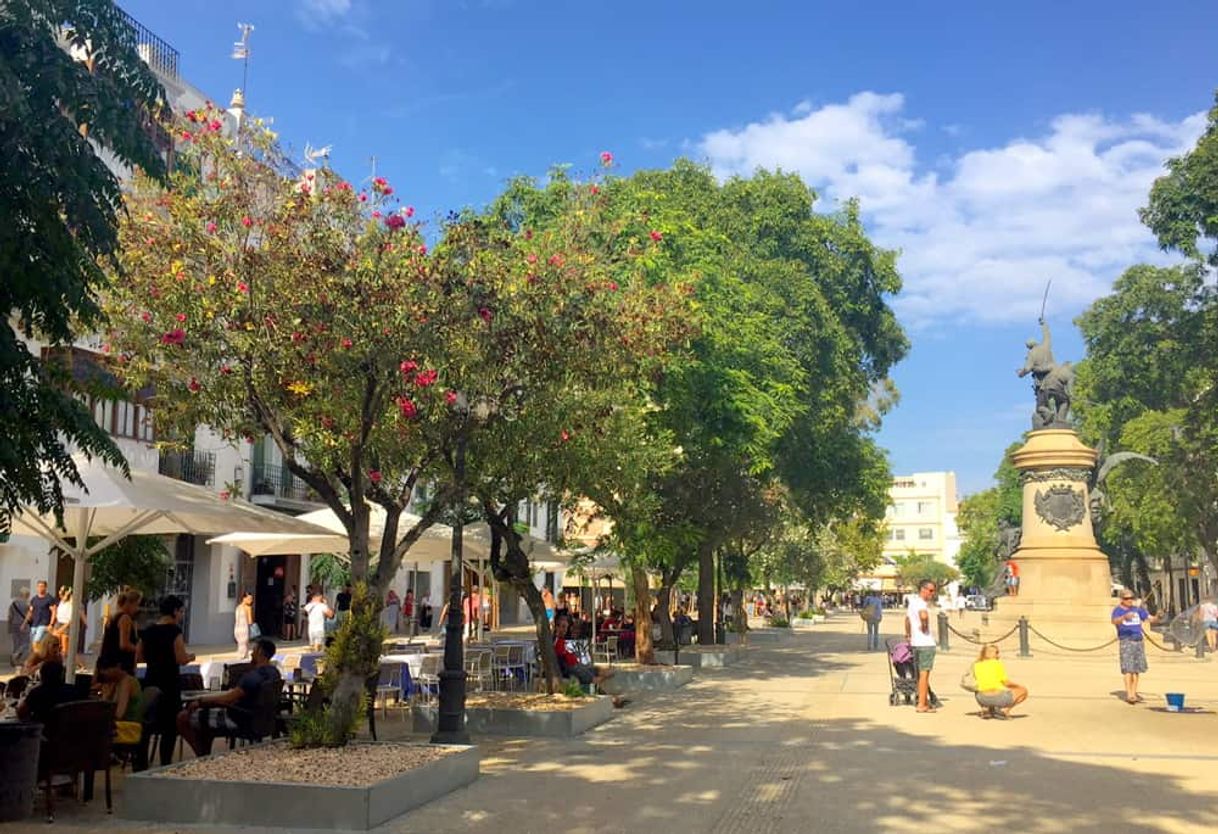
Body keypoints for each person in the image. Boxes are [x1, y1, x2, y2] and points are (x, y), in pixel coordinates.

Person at [177, 638, 281, 757]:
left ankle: (202, 755)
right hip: (262, 720)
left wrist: (200, 702)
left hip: (241, 720)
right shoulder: (274, 673)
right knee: (206, 717)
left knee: (183, 717)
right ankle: (205, 753)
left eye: (254, 650)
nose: (252, 653)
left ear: (260, 652)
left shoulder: (252, 677)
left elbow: (226, 699)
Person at [136, 595, 195, 767]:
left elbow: (139, 656)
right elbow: (180, 658)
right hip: (169, 681)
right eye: (181, 611)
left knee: (148, 724)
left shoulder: (147, 631)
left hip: (151, 679)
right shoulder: (174, 632)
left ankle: (142, 764)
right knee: (169, 727)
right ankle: (165, 762)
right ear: (175, 612)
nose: (182, 615)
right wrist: (190, 657)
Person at [1112, 591, 1157, 704]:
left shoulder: (1137, 610)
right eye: (1127, 598)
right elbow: (1114, 621)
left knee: (1136, 669)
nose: (1130, 600)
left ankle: (1134, 692)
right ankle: (1129, 694)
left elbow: (1149, 618)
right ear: (1122, 599)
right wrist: (1124, 617)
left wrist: (1158, 617)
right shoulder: (1118, 610)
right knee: (1128, 668)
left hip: (1138, 640)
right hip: (1126, 640)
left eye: (1132, 598)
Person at [553, 615, 614, 689]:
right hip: (571, 668)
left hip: (576, 664)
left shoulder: (561, 639)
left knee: (596, 670)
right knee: (593, 676)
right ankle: (601, 688)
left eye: (565, 627)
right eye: (562, 626)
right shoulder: (555, 641)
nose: (564, 629)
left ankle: (603, 686)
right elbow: (561, 659)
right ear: (557, 627)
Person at [95, 657, 145, 745]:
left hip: (129, 727)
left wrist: (106, 698)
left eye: (107, 669)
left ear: (118, 666)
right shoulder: (116, 683)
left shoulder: (127, 682)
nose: (104, 673)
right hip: (122, 724)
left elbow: (119, 714)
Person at [905, 579, 938, 713]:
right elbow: (923, 616)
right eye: (930, 590)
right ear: (923, 589)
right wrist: (924, 625)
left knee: (919, 674)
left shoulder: (912, 602)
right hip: (925, 643)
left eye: (933, 590)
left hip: (916, 643)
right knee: (924, 675)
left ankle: (922, 700)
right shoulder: (920, 603)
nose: (932, 593)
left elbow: (907, 619)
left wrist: (908, 634)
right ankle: (922, 704)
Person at [971, 643, 1028, 719]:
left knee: (978, 687)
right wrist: (1018, 686)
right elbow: (1006, 682)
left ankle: (985, 708)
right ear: (991, 653)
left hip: (981, 698)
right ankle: (1005, 710)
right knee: (1023, 691)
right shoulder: (997, 664)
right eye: (997, 652)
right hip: (999, 698)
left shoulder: (976, 664)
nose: (998, 655)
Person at [16, 660, 78, 724]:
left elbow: (21, 713)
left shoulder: (37, 693)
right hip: (68, 731)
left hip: (42, 731)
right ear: (62, 675)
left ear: (41, 675)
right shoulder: (72, 690)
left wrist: (21, 703)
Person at [98, 589, 141, 675]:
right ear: (129, 603)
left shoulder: (112, 618)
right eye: (136, 605)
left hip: (107, 664)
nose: (137, 609)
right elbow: (124, 644)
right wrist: (139, 649)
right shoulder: (125, 619)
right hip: (120, 666)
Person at [8, 586, 30, 667]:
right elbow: (28, 615)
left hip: (14, 625)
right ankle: (16, 655)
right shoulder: (28, 603)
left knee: (16, 644)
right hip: (24, 625)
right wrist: (24, 624)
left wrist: (9, 627)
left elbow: (10, 615)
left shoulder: (13, 603)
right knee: (26, 643)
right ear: (26, 594)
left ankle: (15, 661)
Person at [234, 591, 254, 659]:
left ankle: (240, 657)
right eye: (249, 599)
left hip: (237, 629)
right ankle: (243, 659)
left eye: (251, 599)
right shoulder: (248, 608)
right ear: (244, 598)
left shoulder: (238, 607)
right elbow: (250, 621)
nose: (251, 601)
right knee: (244, 646)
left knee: (240, 645)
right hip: (245, 629)